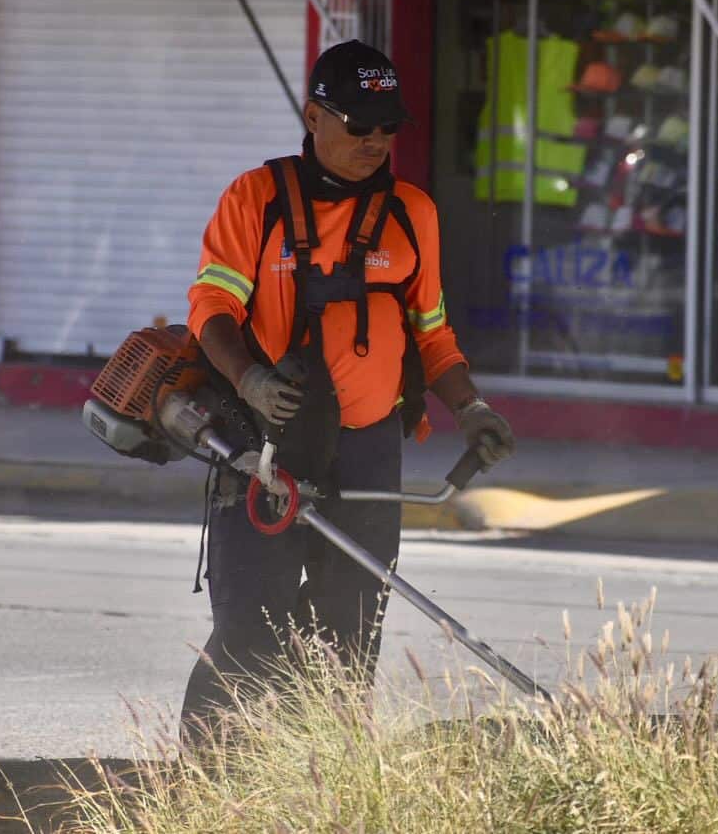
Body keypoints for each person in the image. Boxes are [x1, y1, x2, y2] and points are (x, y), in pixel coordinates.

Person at [181, 39, 515, 739]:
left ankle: (326, 776)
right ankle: (210, 780)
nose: (375, 141)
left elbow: (432, 333)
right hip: (265, 450)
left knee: (349, 631)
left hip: (367, 451)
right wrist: (249, 378)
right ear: (312, 115)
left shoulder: (412, 213)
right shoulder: (256, 198)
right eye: (358, 126)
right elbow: (210, 310)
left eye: (387, 127)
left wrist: (471, 407)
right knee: (249, 629)